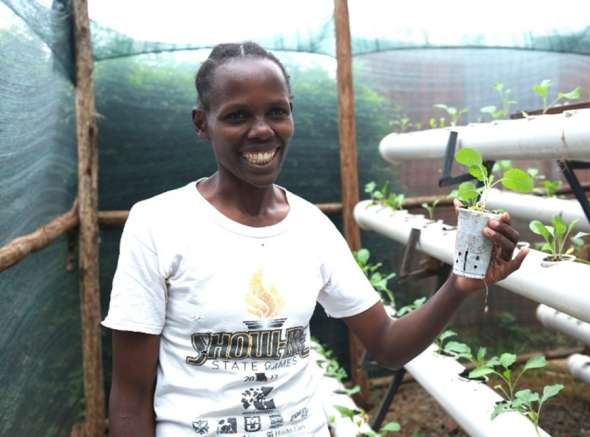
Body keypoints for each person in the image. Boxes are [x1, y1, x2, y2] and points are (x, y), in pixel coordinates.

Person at [102, 41, 528, 437]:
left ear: (291, 114)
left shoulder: (312, 228)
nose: (262, 131)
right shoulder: (159, 223)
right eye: (237, 116)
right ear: (202, 123)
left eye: (276, 112)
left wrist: (458, 286)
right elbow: (130, 399)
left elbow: (387, 346)